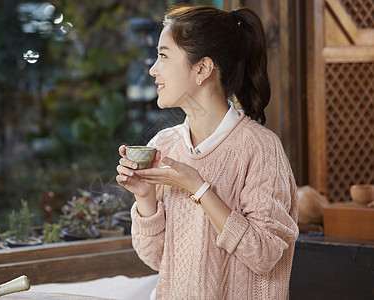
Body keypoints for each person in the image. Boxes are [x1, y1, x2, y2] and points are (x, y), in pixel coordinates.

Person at [116, 5, 299, 300]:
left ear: (202, 68)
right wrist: (145, 197)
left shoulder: (260, 149)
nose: (153, 69)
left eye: (163, 56)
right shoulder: (164, 145)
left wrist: (199, 188)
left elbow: (264, 255)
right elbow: (158, 260)